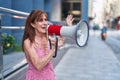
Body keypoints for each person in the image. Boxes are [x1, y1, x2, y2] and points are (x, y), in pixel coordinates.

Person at [22, 9, 74, 80]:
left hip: (49, 76)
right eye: (41, 20)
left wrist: (68, 27)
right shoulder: (28, 42)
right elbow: (38, 65)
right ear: (33, 24)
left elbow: (60, 42)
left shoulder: (46, 37)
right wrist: (53, 50)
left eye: (45, 20)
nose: (45, 23)